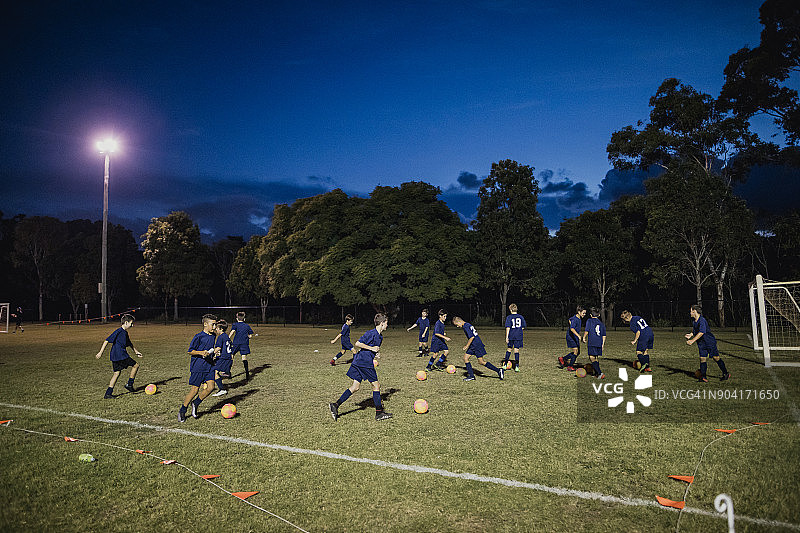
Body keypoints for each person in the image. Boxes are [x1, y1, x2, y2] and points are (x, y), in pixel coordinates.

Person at [329, 313, 392, 421]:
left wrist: (375, 353)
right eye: (386, 323)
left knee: (355, 387)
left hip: (359, 361)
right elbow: (358, 343)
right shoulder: (371, 333)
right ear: (381, 323)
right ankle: (379, 413)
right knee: (376, 385)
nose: (387, 325)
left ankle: (335, 405)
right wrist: (372, 349)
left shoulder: (380, 337)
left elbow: (372, 348)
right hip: (364, 362)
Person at [178, 314, 220, 422]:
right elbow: (190, 351)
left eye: (215, 324)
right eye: (213, 324)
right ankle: (183, 410)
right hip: (198, 367)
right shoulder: (199, 336)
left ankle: (196, 403)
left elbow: (210, 349)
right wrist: (201, 353)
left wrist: (214, 354)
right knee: (194, 391)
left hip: (209, 365)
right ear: (205, 324)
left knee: (211, 387)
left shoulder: (213, 336)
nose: (215, 327)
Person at [95, 314, 142, 398]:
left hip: (115, 356)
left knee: (116, 373)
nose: (132, 325)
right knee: (136, 365)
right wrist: (100, 352)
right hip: (120, 355)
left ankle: (108, 393)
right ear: (126, 322)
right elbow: (107, 340)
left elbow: (129, 343)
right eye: (131, 323)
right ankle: (129, 385)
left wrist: (136, 351)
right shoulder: (119, 331)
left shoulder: (125, 333)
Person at [686, 304, 730, 382]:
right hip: (701, 343)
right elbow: (696, 331)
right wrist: (691, 334)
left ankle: (726, 373)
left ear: (694, 311)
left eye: (691, 311)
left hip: (709, 342)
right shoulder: (694, 321)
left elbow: (702, 332)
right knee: (702, 359)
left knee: (716, 358)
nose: (690, 313)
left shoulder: (702, 320)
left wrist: (692, 341)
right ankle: (703, 377)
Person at [453, 316, 504, 381]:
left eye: (457, 325)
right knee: (465, 358)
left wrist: (467, 346)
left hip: (476, 345)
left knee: (481, 362)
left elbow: (472, 337)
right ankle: (471, 376)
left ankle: (499, 370)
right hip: (473, 345)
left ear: (459, 322)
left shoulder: (465, 326)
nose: (457, 326)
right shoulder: (467, 324)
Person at [229, 311, 257, 380]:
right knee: (244, 357)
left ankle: (228, 372)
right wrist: (248, 336)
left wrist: (227, 338)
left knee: (231, 356)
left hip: (236, 343)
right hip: (244, 343)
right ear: (244, 319)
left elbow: (232, 332)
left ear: (236, 319)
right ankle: (247, 372)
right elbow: (250, 335)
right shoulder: (247, 326)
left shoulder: (235, 325)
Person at [582, 307, 606, 379]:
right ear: (598, 315)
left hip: (592, 342)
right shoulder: (601, 323)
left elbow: (587, 330)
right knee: (596, 357)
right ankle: (596, 373)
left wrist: (584, 337)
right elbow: (604, 335)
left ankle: (600, 373)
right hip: (599, 342)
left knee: (591, 357)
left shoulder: (589, 320)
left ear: (590, 315)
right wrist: (602, 344)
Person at [559, 306, 585, 370]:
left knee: (578, 352)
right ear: (579, 312)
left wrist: (570, 322)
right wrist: (579, 336)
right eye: (583, 313)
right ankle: (570, 366)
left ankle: (563, 359)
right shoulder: (575, 319)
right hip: (571, 337)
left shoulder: (578, 318)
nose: (584, 315)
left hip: (575, 337)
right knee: (575, 351)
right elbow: (572, 329)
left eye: (585, 313)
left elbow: (569, 319)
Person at [211, 320, 233, 396]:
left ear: (221, 329)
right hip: (227, 357)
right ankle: (226, 374)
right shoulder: (226, 336)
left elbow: (218, 348)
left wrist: (210, 353)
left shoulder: (220, 337)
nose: (215, 329)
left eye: (217, 328)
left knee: (214, 372)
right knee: (213, 370)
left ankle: (222, 389)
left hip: (224, 358)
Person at [504, 303, 526, 372]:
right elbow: (523, 327)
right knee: (516, 350)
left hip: (511, 335)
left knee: (509, 349)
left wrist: (507, 337)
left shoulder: (509, 317)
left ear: (510, 309)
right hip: (518, 336)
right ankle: (516, 367)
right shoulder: (521, 317)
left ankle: (505, 365)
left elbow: (508, 327)